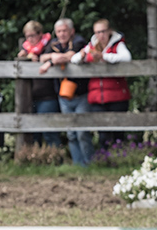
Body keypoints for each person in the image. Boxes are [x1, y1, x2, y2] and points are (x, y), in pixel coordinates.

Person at [72, 19, 133, 151]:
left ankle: (120, 158)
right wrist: (82, 56)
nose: (101, 35)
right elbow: (74, 59)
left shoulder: (118, 44)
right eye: (97, 32)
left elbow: (127, 58)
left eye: (103, 31)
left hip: (117, 95)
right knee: (102, 133)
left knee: (118, 131)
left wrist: (104, 57)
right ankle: (104, 160)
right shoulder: (92, 45)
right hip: (97, 96)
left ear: (109, 31)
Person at [39, 18, 92, 166]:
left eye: (64, 31)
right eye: (59, 31)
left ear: (71, 31)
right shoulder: (54, 45)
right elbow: (42, 56)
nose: (62, 34)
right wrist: (51, 57)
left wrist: (52, 61)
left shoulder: (79, 41)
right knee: (71, 133)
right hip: (63, 95)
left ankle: (89, 163)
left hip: (81, 94)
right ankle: (77, 164)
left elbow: (71, 56)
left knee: (82, 131)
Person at [17, 20, 61, 148]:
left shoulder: (50, 46)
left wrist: (38, 62)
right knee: (33, 132)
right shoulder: (26, 49)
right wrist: (23, 59)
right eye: (27, 36)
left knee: (49, 130)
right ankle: (36, 159)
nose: (30, 39)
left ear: (40, 34)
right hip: (31, 96)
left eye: (33, 35)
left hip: (48, 95)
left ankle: (55, 158)